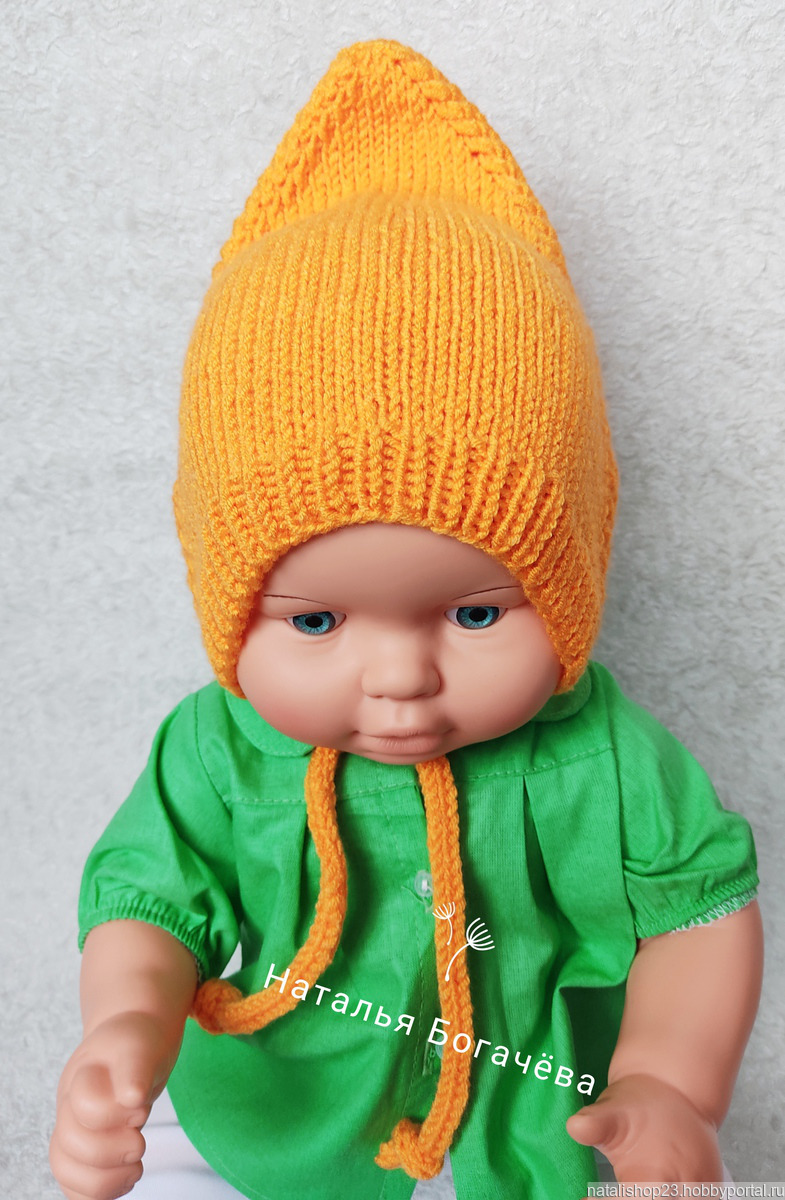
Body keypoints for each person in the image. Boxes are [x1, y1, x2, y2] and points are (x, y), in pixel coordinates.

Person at [50, 38, 762, 1200]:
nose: (397, 677)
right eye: (315, 624)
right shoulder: (219, 752)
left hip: (536, 1126)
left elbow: (699, 914)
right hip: (264, 1119)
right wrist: (124, 1028)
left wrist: (669, 1088)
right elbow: (147, 903)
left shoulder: (606, 758)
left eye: (474, 612)